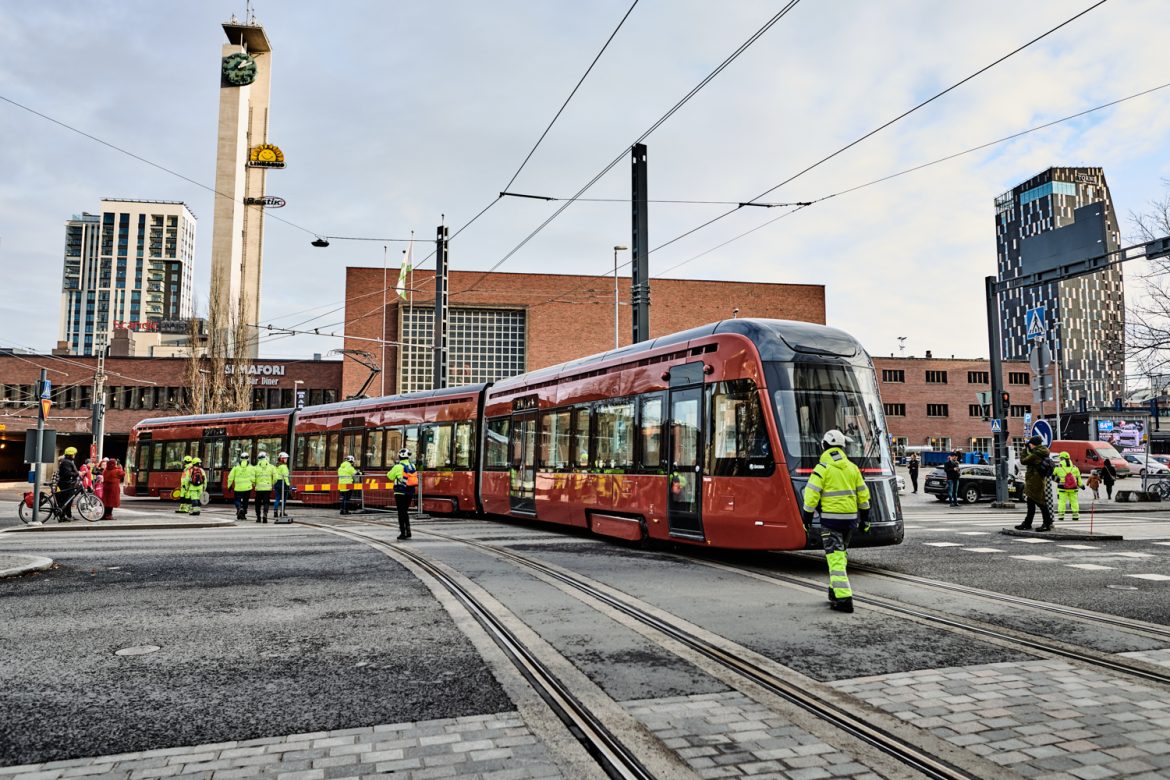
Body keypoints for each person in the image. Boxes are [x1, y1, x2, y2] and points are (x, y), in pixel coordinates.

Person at [801, 429, 871, 614]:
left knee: (836, 558)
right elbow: (863, 495)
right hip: (850, 520)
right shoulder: (852, 468)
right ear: (842, 447)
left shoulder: (822, 468)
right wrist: (865, 518)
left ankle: (844, 599)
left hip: (831, 521)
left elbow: (810, 496)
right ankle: (834, 591)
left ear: (824, 446)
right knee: (840, 555)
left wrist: (806, 518)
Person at [1015, 436, 1054, 531]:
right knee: (1031, 504)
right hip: (1037, 480)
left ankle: (1047, 523)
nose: (1030, 445)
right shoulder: (1041, 451)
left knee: (1041, 503)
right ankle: (1028, 523)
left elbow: (1023, 461)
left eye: (1031, 444)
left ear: (1034, 444)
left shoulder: (1036, 454)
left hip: (1035, 482)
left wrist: (1024, 450)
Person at [386, 448, 418, 539]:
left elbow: (390, 476)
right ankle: (408, 531)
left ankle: (403, 533)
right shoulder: (413, 466)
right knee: (405, 511)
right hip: (410, 491)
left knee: (401, 512)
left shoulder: (397, 466)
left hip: (400, 492)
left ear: (399, 456)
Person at [1053, 451, 1082, 522]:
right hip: (1073, 488)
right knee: (1074, 501)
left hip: (1062, 488)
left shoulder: (1058, 467)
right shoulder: (1075, 467)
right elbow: (1078, 478)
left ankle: (1061, 516)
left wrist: (1057, 480)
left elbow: (1052, 475)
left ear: (1061, 458)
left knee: (1062, 502)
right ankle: (1075, 516)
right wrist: (1081, 485)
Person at [228, 452, 255, 521]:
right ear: (248, 458)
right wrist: (254, 484)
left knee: (237, 500)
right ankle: (243, 513)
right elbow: (253, 478)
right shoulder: (251, 468)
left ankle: (239, 508)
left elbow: (230, 477)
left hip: (238, 488)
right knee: (245, 501)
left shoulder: (236, 467)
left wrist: (229, 486)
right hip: (248, 488)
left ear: (240, 458)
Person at [56, 446, 82, 520]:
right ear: (70, 455)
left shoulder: (67, 461)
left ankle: (68, 515)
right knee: (66, 500)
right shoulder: (66, 462)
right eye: (74, 454)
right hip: (66, 484)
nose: (74, 455)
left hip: (68, 483)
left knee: (68, 501)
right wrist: (78, 473)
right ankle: (63, 516)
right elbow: (67, 473)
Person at [252, 451, 276, 523]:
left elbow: (252, 478)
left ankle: (258, 517)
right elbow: (275, 477)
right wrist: (272, 484)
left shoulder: (255, 468)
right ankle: (265, 514)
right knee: (266, 502)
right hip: (267, 488)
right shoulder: (272, 467)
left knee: (258, 503)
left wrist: (255, 484)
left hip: (259, 488)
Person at [273, 452, 291, 517]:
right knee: (284, 499)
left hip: (276, 483)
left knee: (277, 498)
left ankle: (275, 511)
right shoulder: (284, 467)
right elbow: (285, 476)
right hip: (283, 483)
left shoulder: (276, 466)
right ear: (282, 459)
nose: (286, 460)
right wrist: (288, 484)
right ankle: (282, 512)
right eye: (285, 458)